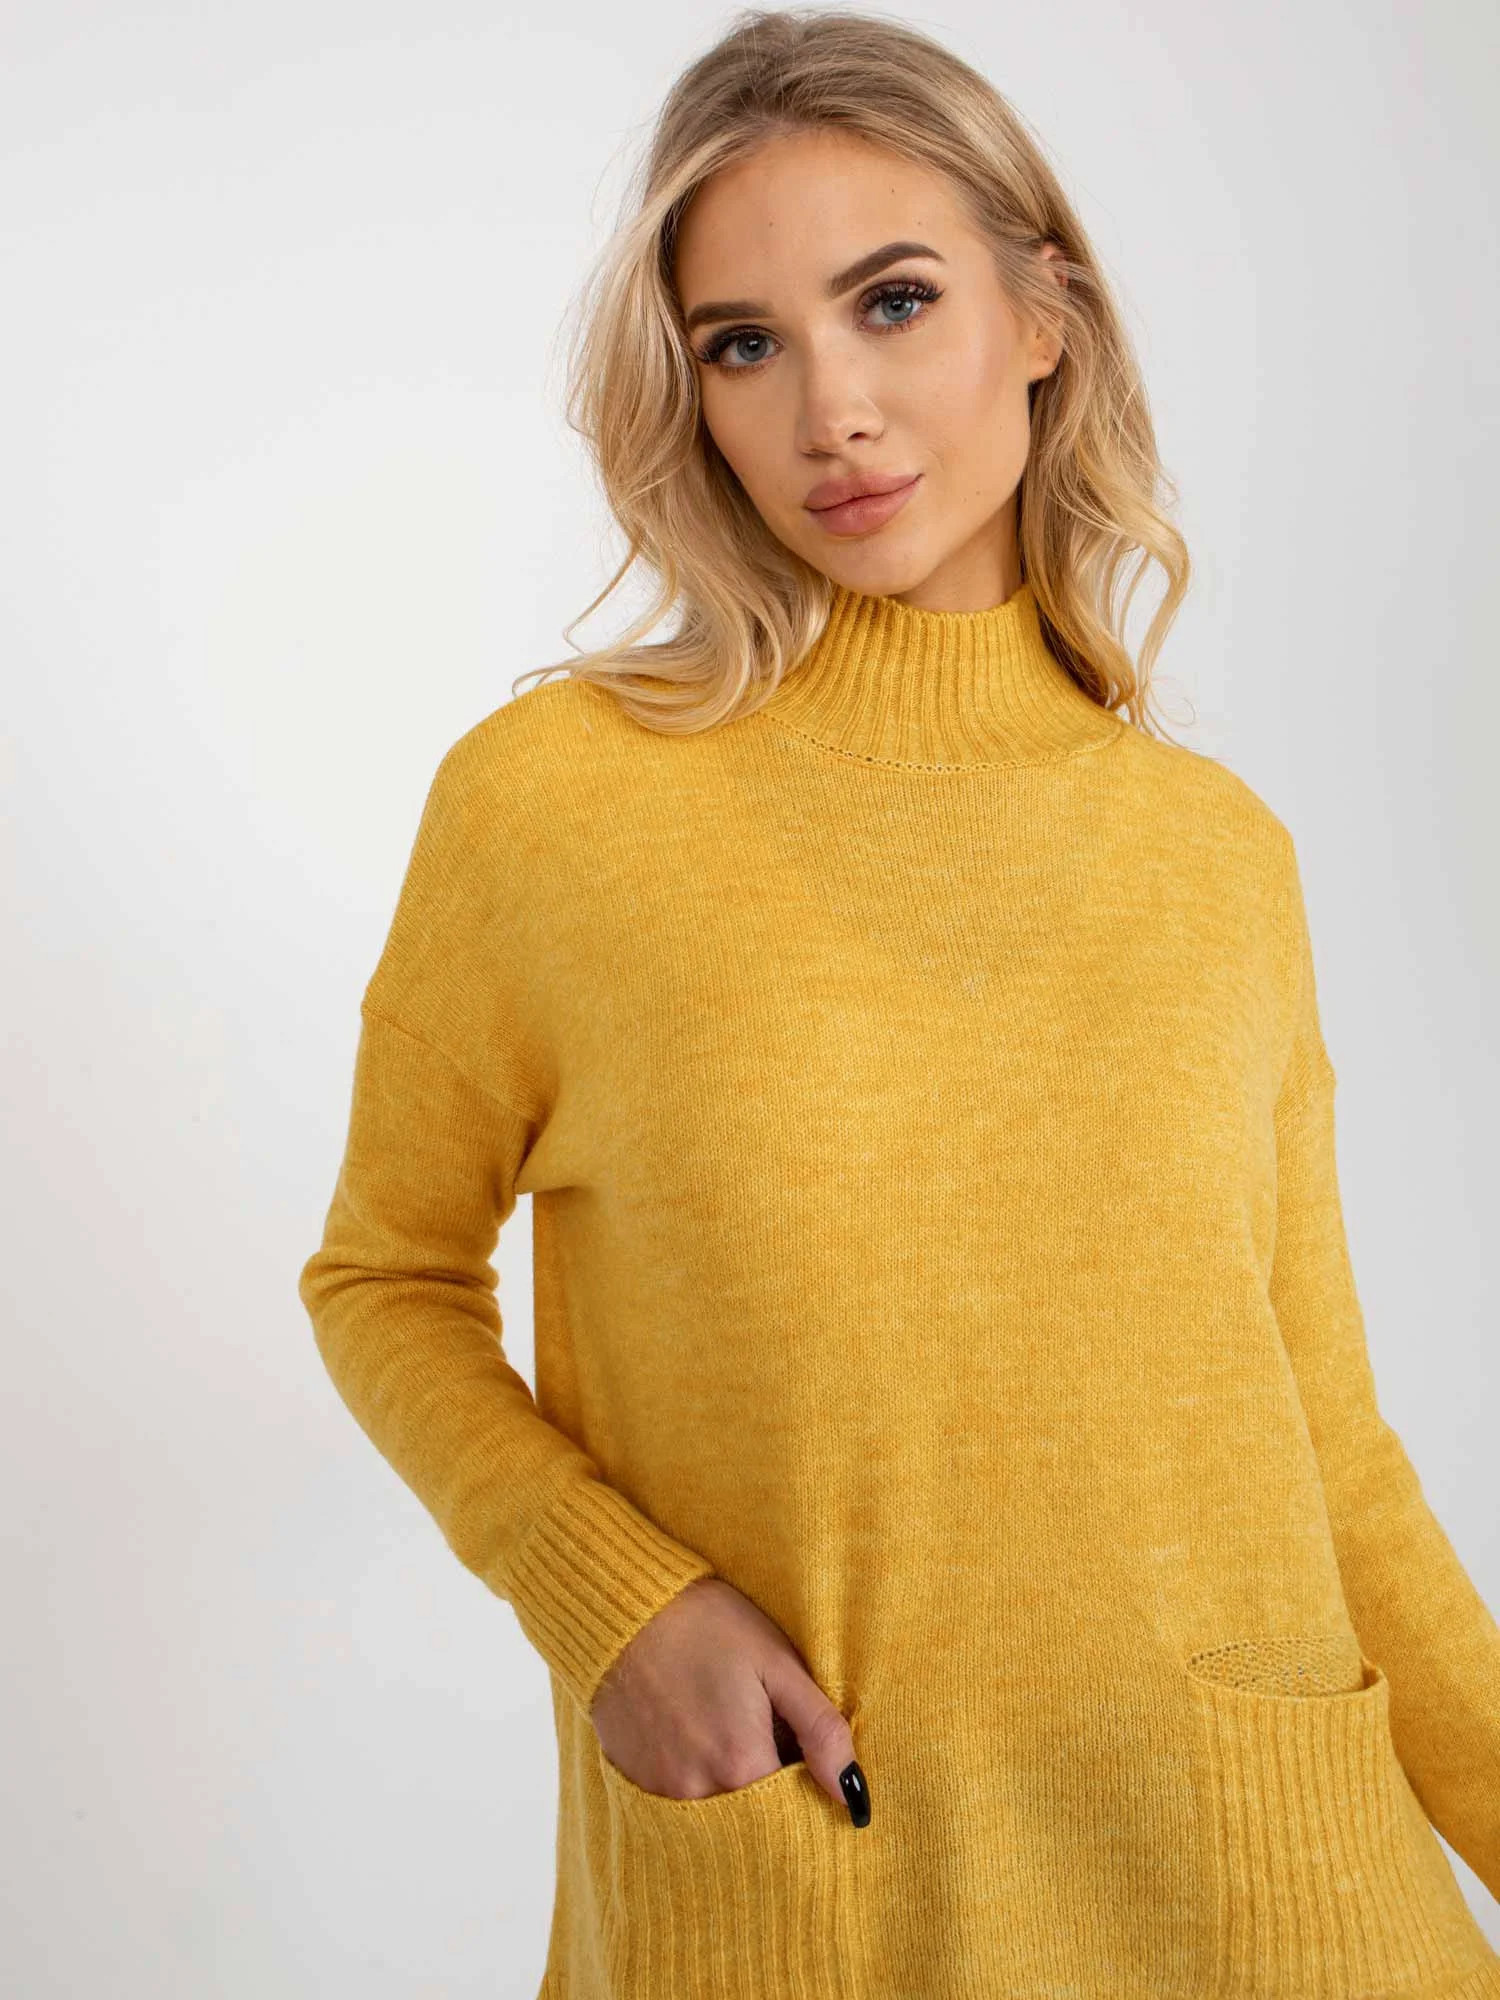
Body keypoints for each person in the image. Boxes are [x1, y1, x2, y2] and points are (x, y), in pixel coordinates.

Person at [298, 9, 1500, 1995]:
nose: (831, 410)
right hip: (817, 1898)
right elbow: (387, 1277)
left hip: (1270, 1891)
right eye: (742, 343)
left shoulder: (1216, 856)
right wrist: (616, 1602)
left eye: (894, 301)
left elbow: (1328, 1446)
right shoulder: (555, 805)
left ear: (1045, 317)